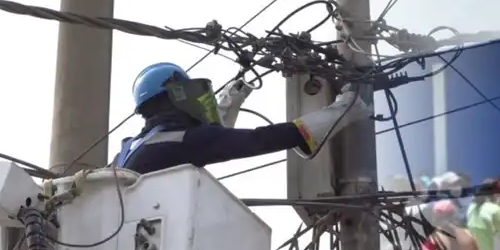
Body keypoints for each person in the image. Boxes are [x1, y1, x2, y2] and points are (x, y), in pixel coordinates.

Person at [113, 62, 370, 173]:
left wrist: (234, 97)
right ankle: (353, 107)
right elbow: (257, 140)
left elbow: (214, 138)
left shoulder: (127, 151)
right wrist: (345, 109)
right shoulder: (185, 141)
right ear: (177, 96)